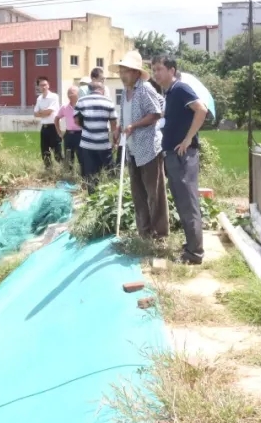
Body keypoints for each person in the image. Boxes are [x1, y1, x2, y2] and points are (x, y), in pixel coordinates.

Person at [151, 55, 210, 265]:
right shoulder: (169, 93)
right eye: (154, 69)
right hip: (173, 155)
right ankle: (191, 247)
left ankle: (194, 253)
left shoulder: (180, 89)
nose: (155, 73)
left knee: (187, 202)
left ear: (171, 70)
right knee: (182, 201)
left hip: (183, 156)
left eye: (159, 69)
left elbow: (202, 110)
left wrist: (188, 139)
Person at [112, 50, 168, 240]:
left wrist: (134, 125)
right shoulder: (125, 93)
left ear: (136, 72)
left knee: (154, 194)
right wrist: (118, 128)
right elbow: (123, 115)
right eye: (120, 71)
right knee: (138, 194)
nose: (122, 75)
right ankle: (144, 233)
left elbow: (156, 113)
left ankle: (160, 235)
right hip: (132, 149)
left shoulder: (145, 89)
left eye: (125, 71)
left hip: (149, 149)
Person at [74, 80, 118, 191]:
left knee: (91, 174)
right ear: (102, 90)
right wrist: (115, 141)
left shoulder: (81, 101)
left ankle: (92, 197)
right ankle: (111, 195)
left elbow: (76, 120)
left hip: (87, 144)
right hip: (103, 144)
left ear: (90, 90)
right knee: (110, 173)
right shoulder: (108, 101)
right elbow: (113, 124)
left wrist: (86, 127)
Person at [34, 76, 62, 167]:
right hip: (44, 127)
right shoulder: (39, 98)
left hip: (53, 126)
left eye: (45, 84)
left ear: (48, 85)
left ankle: (64, 170)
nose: (43, 87)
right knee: (45, 151)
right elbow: (35, 113)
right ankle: (49, 170)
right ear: (38, 87)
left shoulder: (54, 96)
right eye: (41, 85)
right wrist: (44, 112)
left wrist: (42, 112)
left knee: (57, 151)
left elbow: (50, 112)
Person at [55, 85, 82, 169]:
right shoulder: (64, 107)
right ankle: (68, 176)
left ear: (78, 94)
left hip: (80, 134)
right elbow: (56, 119)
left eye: (72, 93)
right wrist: (59, 132)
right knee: (68, 157)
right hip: (68, 135)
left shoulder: (82, 106)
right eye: (68, 93)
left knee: (82, 156)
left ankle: (83, 176)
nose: (70, 95)